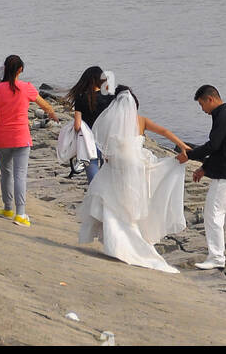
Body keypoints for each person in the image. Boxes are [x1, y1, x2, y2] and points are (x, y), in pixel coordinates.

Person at [78, 86, 189, 273]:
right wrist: (183, 145)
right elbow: (164, 131)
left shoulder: (110, 121)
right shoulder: (141, 121)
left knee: (112, 205)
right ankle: (129, 242)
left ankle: (115, 245)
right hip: (136, 167)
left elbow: (105, 148)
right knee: (130, 205)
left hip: (115, 168)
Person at [179, 84, 226, 270]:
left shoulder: (224, 116)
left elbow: (214, 145)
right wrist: (204, 167)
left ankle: (217, 258)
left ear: (210, 99)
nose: (203, 110)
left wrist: (190, 154)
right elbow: (222, 148)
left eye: (202, 105)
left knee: (212, 215)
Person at [0, 55, 58, 228]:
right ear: (20, 70)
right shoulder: (27, 88)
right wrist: (52, 114)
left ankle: (8, 208)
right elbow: (45, 106)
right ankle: (20, 214)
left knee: (6, 174)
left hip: (2, 138)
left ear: (5, 69)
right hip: (22, 137)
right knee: (20, 175)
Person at [67, 66, 113, 182]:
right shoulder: (109, 97)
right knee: (108, 173)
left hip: (88, 141)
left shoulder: (81, 97)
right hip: (107, 140)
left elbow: (77, 126)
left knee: (92, 172)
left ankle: (94, 195)